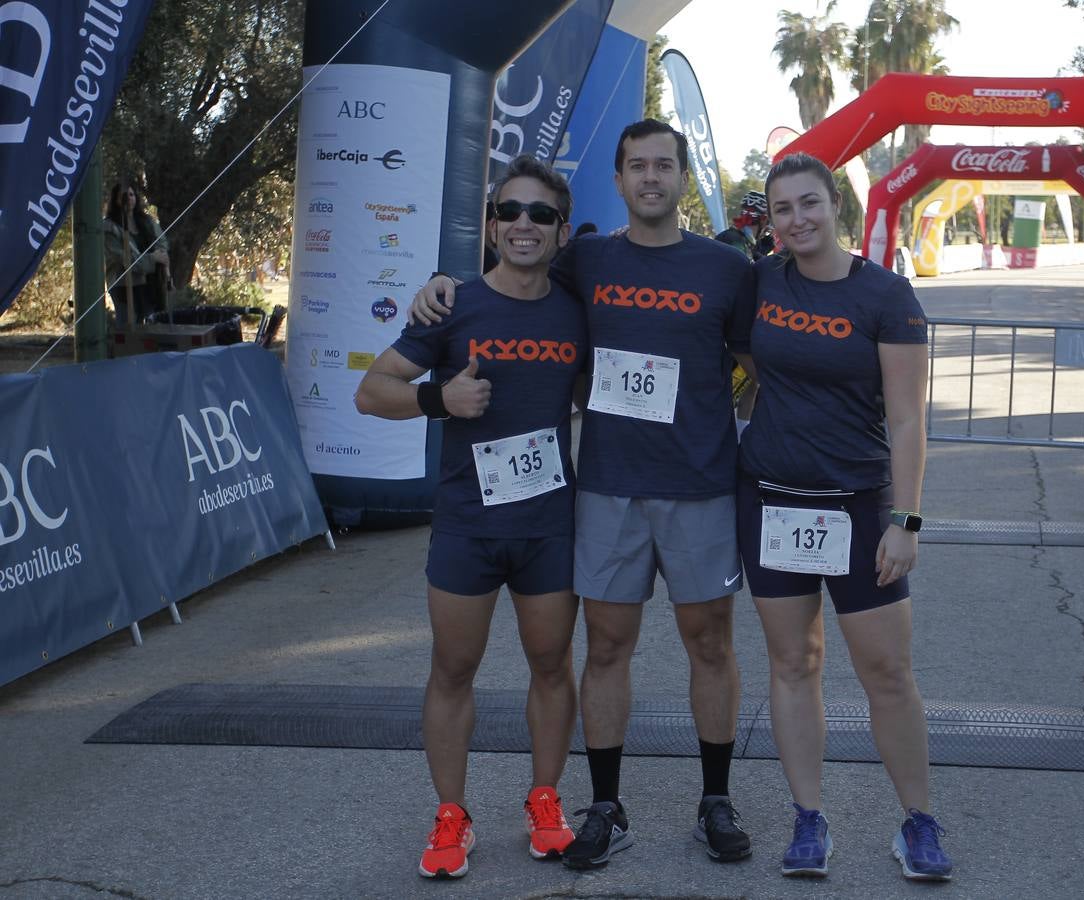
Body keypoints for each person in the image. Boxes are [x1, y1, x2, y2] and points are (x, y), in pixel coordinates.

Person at [410, 119, 758, 871]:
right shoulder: (587, 261)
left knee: (711, 643)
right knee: (604, 649)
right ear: (621, 177)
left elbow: (756, 359)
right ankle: (603, 806)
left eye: (664, 165)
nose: (651, 178)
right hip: (605, 490)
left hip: (698, 487)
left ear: (682, 176)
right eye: (637, 166)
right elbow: (512, 277)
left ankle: (715, 802)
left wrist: (745, 423)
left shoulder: (725, 268)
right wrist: (442, 284)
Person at [354, 155, 588, 879]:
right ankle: (451, 814)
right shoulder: (450, 304)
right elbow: (371, 390)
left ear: (559, 230)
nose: (523, 224)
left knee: (551, 665)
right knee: (454, 668)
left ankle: (544, 799)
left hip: (549, 523)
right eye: (509, 212)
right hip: (466, 523)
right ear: (491, 225)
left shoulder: (578, 305)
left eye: (540, 214)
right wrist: (438, 401)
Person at [735, 152, 953, 881]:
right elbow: (753, 370)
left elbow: (907, 420)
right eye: (783, 210)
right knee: (794, 664)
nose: (797, 220)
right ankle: (808, 820)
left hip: (860, 510)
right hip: (771, 499)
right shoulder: (760, 281)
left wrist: (907, 518)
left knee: (886, 672)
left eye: (809, 204)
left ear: (836, 207)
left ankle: (918, 822)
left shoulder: (887, 296)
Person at [103, 181, 169, 324]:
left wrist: (160, 254)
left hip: (150, 284)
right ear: (116, 199)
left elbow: (162, 243)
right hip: (123, 286)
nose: (129, 198)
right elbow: (128, 260)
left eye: (132, 195)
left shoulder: (147, 221)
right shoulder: (109, 227)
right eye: (124, 196)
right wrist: (153, 259)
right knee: (128, 328)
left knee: (152, 326)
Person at [715, 191, 775, 261]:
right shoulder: (735, 240)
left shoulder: (742, 238)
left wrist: (760, 252)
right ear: (764, 219)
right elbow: (742, 268)